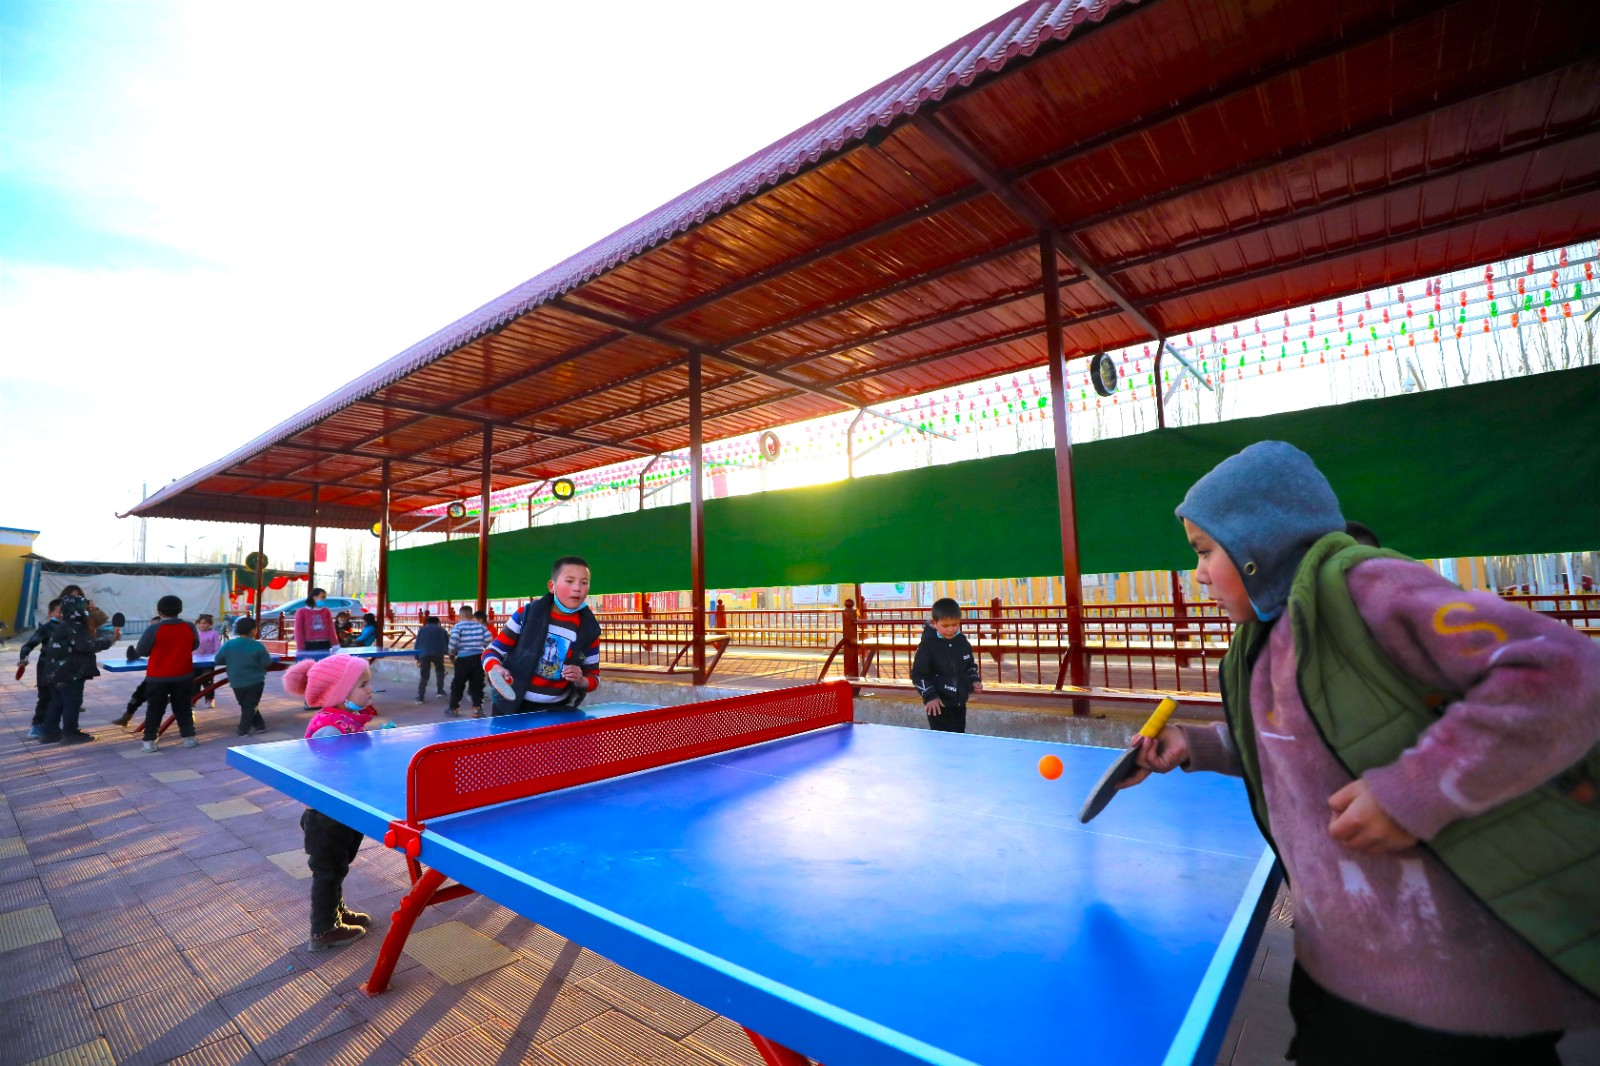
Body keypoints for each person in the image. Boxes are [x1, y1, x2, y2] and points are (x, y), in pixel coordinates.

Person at [1120, 440, 1600, 1064]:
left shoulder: (1368, 588)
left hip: (1456, 985)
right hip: (1338, 967)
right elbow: (1296, 742)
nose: (1199, 573)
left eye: (1206, 551)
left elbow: (1564, 671)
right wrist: (1198, 743)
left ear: (1258, 542)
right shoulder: (1260, 640)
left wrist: (1410, 792)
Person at [281, 655, 377, 951]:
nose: (370, 689)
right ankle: (323, 930)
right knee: (328, 871)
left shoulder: (346, 719)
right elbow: (327, 769)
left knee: (337, 867)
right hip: (326, 815)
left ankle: (336, 911)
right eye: (362, 685)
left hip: (341, 809)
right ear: (340, 694)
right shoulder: (330, 728)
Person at [483, 557, 600, 716]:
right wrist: (496, 668)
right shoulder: (525, 615)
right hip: (511, 707)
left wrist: (581, 680)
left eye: (584, 582)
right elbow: (491, 652)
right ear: (552, 586)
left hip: (557, 711)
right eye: (570, 581)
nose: (577, 588)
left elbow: (594, 677)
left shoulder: (590, 629)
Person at [36, 587, 119, 744]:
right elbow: (83, 646)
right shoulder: (75, 625)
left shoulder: (64, 624)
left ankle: (50, 733)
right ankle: (70, 733)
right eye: (84, 607)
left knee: (57, 701)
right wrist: (108, 642)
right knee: (72, 702)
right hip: (70, 672)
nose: (86, 610)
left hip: (56, 671)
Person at [129, 595, 201, 752]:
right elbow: (195, 644)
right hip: (183, 674)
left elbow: (142, 650)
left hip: (157, 677)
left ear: (159, 611)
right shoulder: (189, 626)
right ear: (180, 610)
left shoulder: (154, 629)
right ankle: (189, 738)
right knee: (183, 707)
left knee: (155, 709)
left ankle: (149, 742)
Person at [910, 597, 982, 734]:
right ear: (934, 623)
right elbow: (918, 675)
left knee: (959, 737)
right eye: (945, 626)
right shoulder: (927, 646)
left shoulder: (962, 641)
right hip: (937, 704)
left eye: (955, 625)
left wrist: (974, 680)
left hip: (959, 703)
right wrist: (930, 696)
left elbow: (970, 665)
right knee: (941, 740)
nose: (951, 629)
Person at [215, 617, 276, 736]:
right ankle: (244, 729)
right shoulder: (258, 646)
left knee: (246, 704)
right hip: (255, 681)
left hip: (236, 681)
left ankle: (259, 725)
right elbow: (267, 662)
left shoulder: (229, 644)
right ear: (253, 630)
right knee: (250, 705)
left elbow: (218, 659)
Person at [18, 598, 63, 739]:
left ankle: (52, 728)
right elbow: (28, 645)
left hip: (62, 670)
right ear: (50, 613)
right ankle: (36, 727)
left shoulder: (69, 628)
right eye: (59, 612)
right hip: (45, 669)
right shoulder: (46, 628)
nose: (62, 614)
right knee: (45, 698)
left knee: (58, 700)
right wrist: (23, 658)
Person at [446, 604, 490, 717]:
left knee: (458, 684)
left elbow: (453, 641)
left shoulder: (458, 627)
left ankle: (454, 708)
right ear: (471, 615)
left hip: (463, 659)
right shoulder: (481, 627)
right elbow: (489, 640)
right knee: (477, 684)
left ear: (460, 615)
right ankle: (477, 709)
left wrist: (451, 653)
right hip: (478, 658)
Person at [412, 614, 447, 703]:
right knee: (440, 671)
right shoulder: (442, 630)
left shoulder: (422, 630)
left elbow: (417, 643)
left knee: (424, 675)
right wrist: (447, 653)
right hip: (438, 654)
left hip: (424, 654)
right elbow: (447, 642)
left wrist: (417, 657)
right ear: (438, 622)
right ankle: (440, 691)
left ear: (427, 623)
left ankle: (420, 697)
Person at [293, 589, 337, 653]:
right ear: (314, 597)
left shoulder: (326, 611)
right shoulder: (301, 612)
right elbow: (298, 631)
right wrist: (300, 647)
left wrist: (335, 644)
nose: (324, 599)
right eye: (322, 597)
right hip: (309, 645)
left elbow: (331, 629)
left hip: (325, 644)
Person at [194, 613, 223, 707]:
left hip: (208, 661)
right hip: (195, 660)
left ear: (209, 624)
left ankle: (210, 699)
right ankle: (194, 698)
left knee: (207, 679)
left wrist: (216, 657)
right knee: (194, 680)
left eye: (204, 623)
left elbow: (217, 647)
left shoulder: (214, 633)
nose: (202, 625)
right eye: (199, 623)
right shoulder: (195, 632)